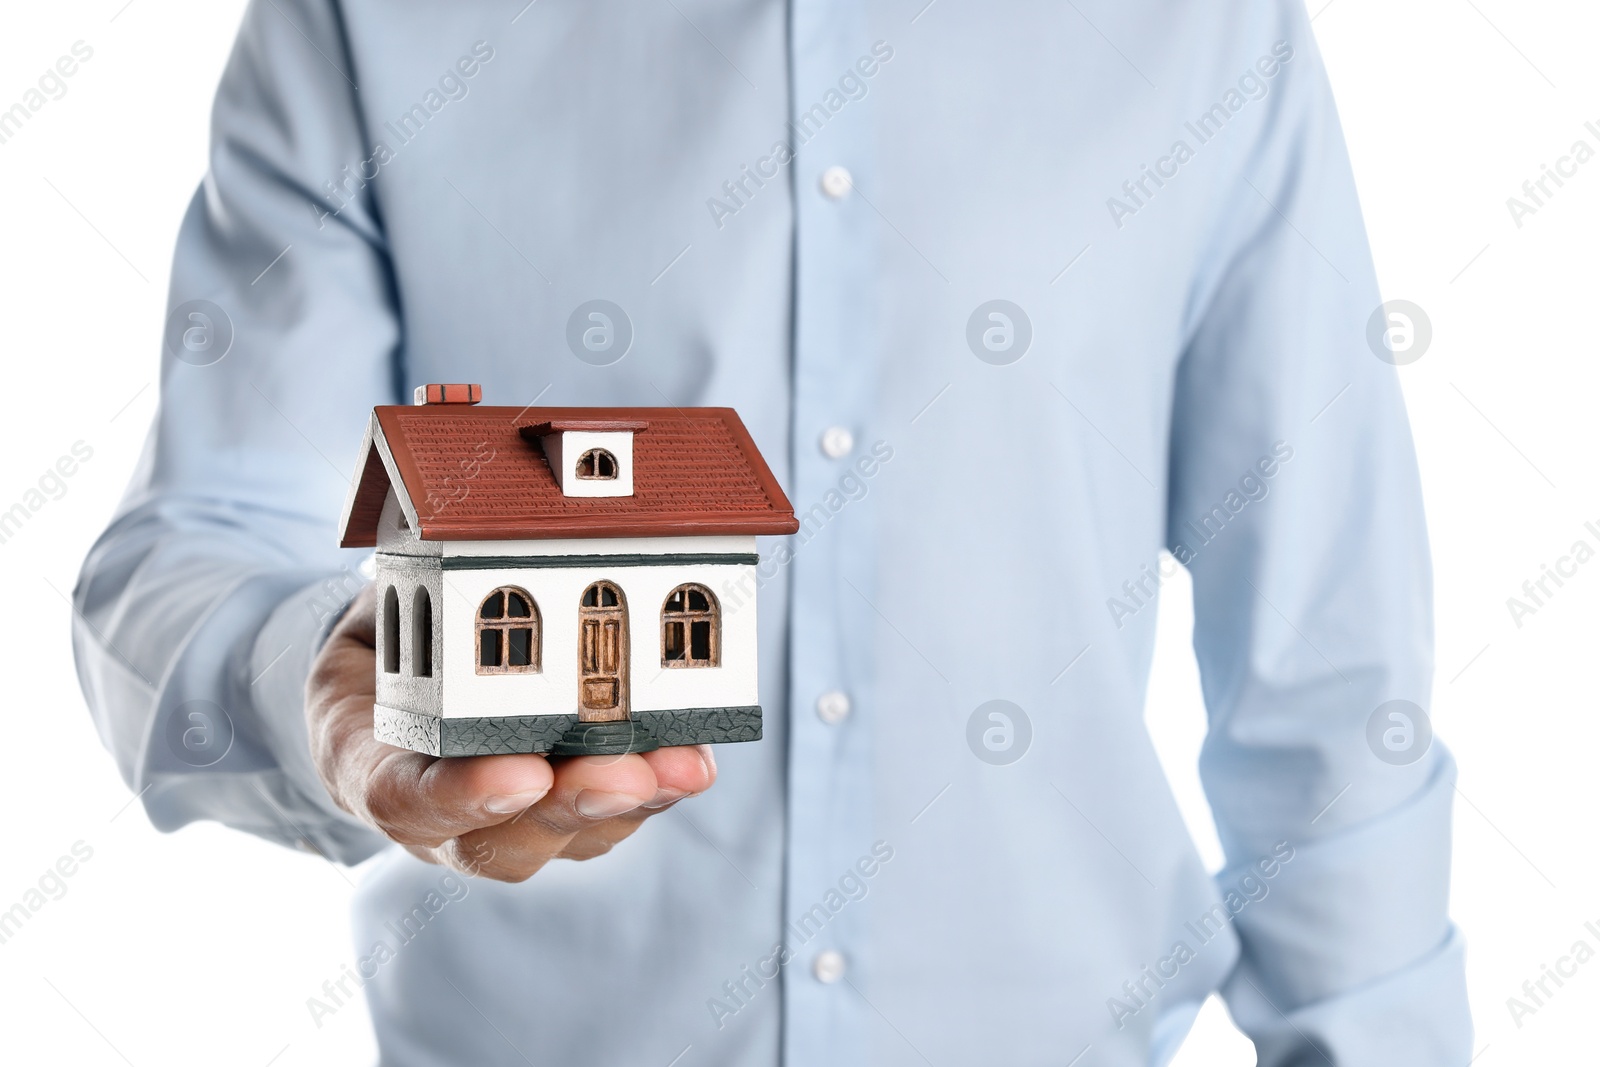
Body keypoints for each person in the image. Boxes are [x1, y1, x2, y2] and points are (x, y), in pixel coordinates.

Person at [71, 0, 1470, 1063]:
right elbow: (191, 545)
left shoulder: (1201, 29)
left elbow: (1325, 664)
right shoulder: (367, 21)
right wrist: (325, 686)